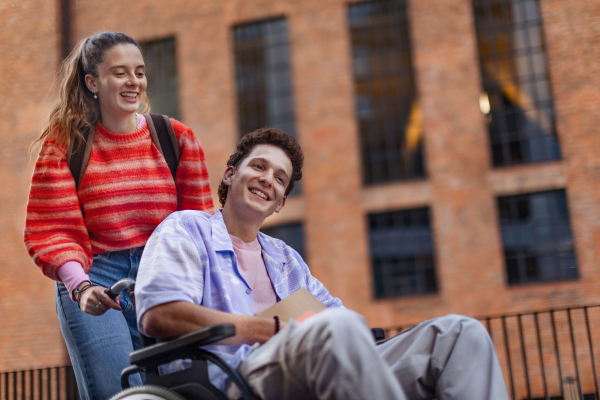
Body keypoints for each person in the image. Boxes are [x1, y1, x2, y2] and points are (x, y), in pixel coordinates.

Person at [134, 127, 509, 400]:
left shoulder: (285, 258)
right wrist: (265, 330)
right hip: (233, 376)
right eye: (259, 167)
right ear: (231, 174)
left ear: (280, 202)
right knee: (337, 328)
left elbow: (339, 321)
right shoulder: (187, 228)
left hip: (312, 362)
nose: (268, 180)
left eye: (280, 178)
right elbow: (159, 314)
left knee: (460, 333)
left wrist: (339, 333)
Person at [24, 32, 214, 400]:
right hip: (96, 280)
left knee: (180, 391)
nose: (134, 82)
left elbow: (199, 226)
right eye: (120, 73)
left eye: (139, 72)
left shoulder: (176, 137)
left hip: (164, 276)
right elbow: (52, 229)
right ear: (92, 82)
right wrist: (80, 287)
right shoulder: (66, 143)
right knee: (120, 392)